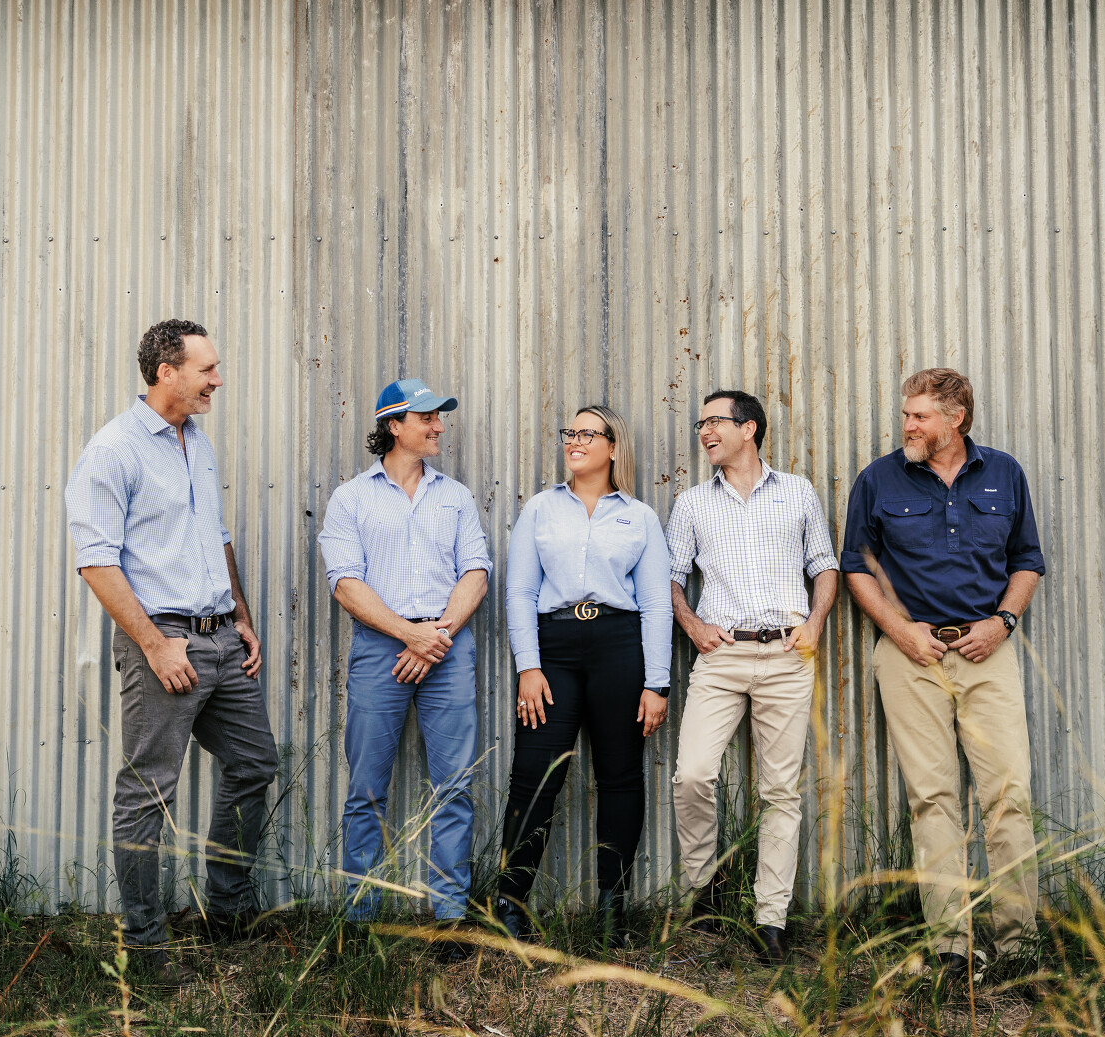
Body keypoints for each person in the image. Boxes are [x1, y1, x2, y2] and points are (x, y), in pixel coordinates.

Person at [66, 319, 279, 988]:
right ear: (167, 372)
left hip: (220, 636)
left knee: (254, 762)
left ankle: (226, 911)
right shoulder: (114, 449)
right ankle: (147, 950)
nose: (218, 380)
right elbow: (96, 561)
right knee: (147, 793)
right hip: (165, 641)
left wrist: (240, 614)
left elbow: (216, 534)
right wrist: (154, 645)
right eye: (206, 369)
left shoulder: (197, 441)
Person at [841, 368, 1045, 982]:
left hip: (988, 654)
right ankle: (951, 947)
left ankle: (1019, 946)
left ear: (955, 419)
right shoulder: (878, 479)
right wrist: (901, 632)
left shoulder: (1004, 473)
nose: (907, 425)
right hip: (910, 657)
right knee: (932, 800)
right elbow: (856, 566)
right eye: (906, 414)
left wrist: (1003, 623)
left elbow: (1027, 560)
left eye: (919, 416)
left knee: (1009, 798)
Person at [317, 378, 491, 957]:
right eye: (427, 417)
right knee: (367, 789)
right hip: (380, 651)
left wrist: (434, 635)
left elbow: (476, 572)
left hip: (447, 648)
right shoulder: (351, 499)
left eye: (440, 416)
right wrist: (407, 634)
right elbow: (345, 582)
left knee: (454, 788)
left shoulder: (455, 497)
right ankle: (361, 921)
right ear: (394, 425)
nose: (438, 425)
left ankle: (450, 918)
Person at [667, 389, 839, 965]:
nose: (704, 431)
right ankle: (705, 886)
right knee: (692, 775)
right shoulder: (692, 503)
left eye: (715, 421)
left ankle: (771, 920)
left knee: (780, 792)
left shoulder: (798, 492)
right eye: (701, 423)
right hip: (721, 657)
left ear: (750, 429)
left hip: (788, 655)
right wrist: (692, 625)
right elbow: (670, 577)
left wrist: (814, 624)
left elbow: (825, 566)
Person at [496, 405, 673, 949]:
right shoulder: (540, 509)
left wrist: (657, 683)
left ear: (613, 447)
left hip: (619, 646)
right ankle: (508, 906)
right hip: (553, 649)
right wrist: (529, 666)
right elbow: (520, 592)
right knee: (534, 775)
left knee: (620, 776)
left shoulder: (639, 516)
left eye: (587, 433)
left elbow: (656, 604)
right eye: (570, 432)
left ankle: (611, 911)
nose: (574, 441)